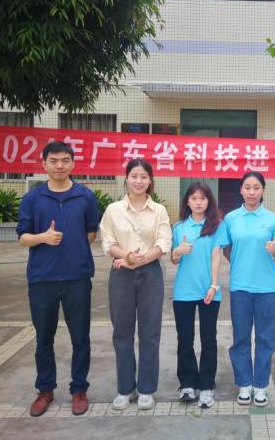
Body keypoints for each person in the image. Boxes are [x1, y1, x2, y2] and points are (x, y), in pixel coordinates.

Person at [16, 141, 100, 417]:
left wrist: (72, 250)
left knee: (81, 337)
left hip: (77, 277)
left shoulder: (85, 196)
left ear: (73, 163)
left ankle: (79, 389)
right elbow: (23, 237)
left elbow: (91, 232)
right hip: (43, 279)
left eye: (65, 160)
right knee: (44, 338)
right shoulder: (33, 198)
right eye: (53, 161)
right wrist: (44, 237)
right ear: (44, 163)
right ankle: (45, 389)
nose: (60, 166)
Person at [99, 159, 172, 411]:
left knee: (150, 332)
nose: (138, 181)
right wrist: (127, 257)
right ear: (126, 179)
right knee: (122, 331)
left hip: (151, 273)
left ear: (150, 181)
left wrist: (141, 259)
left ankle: (147, 389)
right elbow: (107, 241)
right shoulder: (113, 210)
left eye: (143, 177)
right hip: (121, 273)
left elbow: (164, 242)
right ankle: (125, 388)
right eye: (134, 176)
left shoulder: (159, 210)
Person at [224, 172, 275, 407]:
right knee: (240, 337)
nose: (251, 192)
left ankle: (260, 385)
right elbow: (226, 247)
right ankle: (244, 383)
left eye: (256, 188)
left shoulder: (272, 219)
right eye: (247, 187)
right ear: (241, 189)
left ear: (263, 191)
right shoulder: (231, 218)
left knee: (265, 338)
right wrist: (240, 262)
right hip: (240, 286)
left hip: (266, 287)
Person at [170, 182, 229, 409]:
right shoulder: (178, 227)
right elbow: (174, 259)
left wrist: (213, 285)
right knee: (185, 339)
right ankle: (187, 383)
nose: (198, 203)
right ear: (187, 201)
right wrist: (178, 251)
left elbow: (216, 255)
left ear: (208, 202)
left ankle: (206, 385)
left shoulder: (217, 225)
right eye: (194, 198)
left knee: (208, 339)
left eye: (202, 199)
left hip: (209, 291)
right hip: (183, 291)